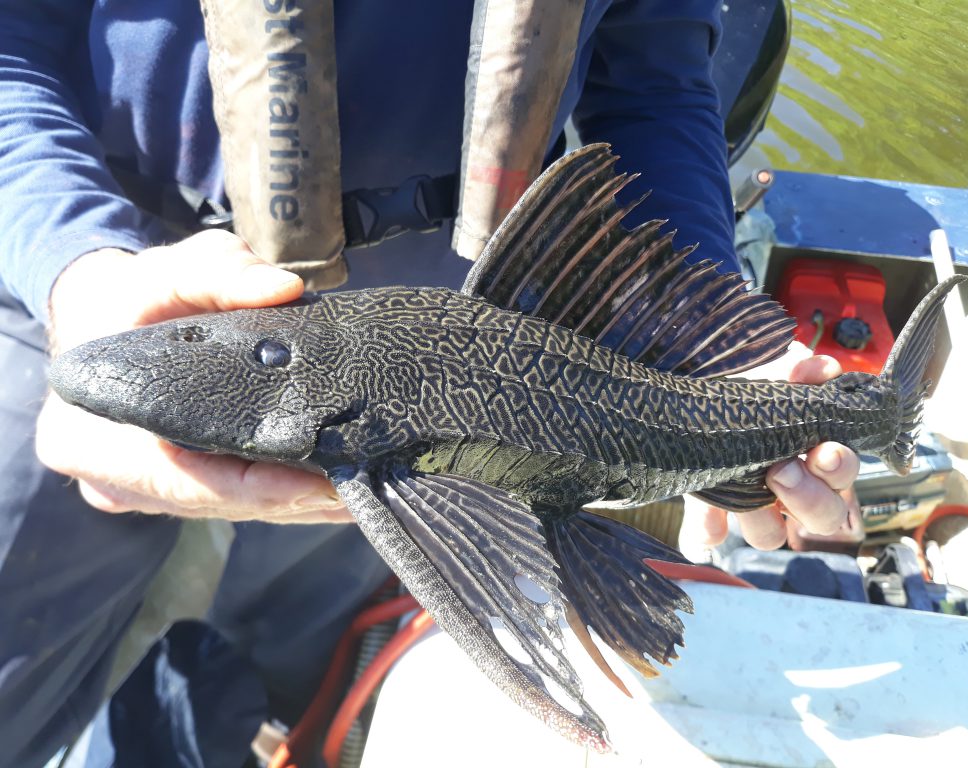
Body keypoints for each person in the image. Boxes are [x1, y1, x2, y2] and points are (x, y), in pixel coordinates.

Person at [0, 1, 859, 764]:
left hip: (455, 370)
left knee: (289, 634)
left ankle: (271, 723)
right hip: (97, 274)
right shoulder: (88, 282)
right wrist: (72, 262)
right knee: (18, 641)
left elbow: (655, 83)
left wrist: (705, 352)